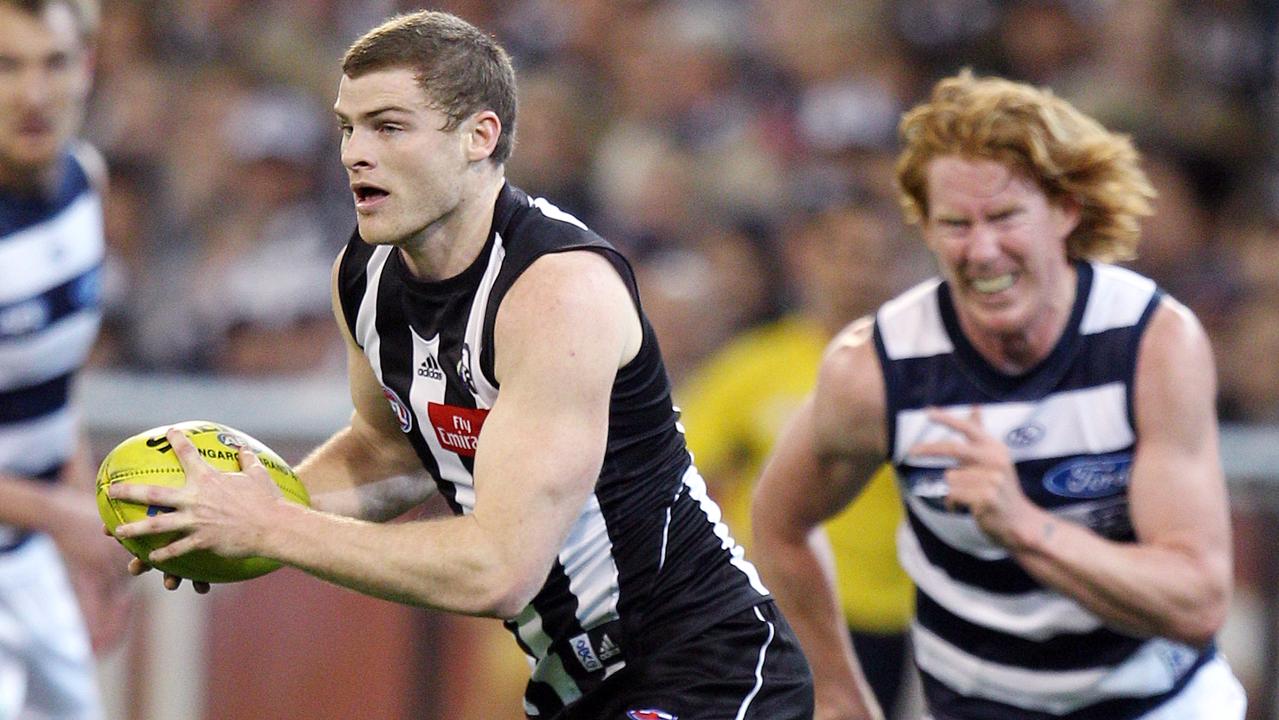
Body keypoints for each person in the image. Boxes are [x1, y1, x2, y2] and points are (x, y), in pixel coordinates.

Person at [108, 10, 813, 719]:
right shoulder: (364, 276)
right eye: (347, 127)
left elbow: (499, 569)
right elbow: (390, 453)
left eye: (387, 127)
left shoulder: (557, 292)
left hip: (706, 671)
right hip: (574, 683)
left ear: (480, 137)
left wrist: (272, 528)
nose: (354, 153)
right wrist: (223, 511)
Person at [751, 70, 1246, 720]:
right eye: (954, 223)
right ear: (925, 229)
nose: (981, 251)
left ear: (1065, 211)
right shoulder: (876, 368)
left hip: (1158, 705)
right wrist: (837, 692)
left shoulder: (1149, 342)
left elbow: (1197, 603)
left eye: (1005, 216)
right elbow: (779, 524)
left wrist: (1024, 527)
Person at [678, 196, 918, 718]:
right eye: (848, 254)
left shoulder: (921, 371)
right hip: (778, 614)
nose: (862, 274)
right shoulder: (756, 364)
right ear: (808, 255)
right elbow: (675, 467)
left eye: (878, 257)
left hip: (894, 622)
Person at [0, 0, 133, 717]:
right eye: (5, 66)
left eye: (53, 62)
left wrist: (81, 531)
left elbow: (59, 389)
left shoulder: (87, 183)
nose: (32, 92)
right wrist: (62, 517)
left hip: (28, 558)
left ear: (85, 68)